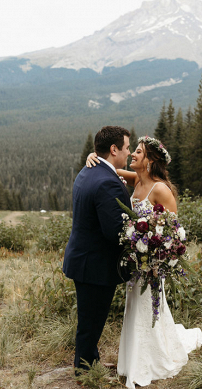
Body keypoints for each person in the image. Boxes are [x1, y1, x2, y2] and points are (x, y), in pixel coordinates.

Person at [86, 136, 202, 388]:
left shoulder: (160, 189)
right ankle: (134, 358)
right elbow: (109, 167)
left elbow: (173, 232)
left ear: (150, 160)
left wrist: (158, 258)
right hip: (136, 263)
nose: (133, 154)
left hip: (153, 264)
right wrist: (93, 158)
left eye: (138, 152)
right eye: (132, 150)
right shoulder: (136, 181)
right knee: (134, 306)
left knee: (148, 308)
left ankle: (151, 360)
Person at [63, 126, 132, 376]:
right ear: (113, 149)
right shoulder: (106, 181)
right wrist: (142, 238)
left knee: (89, 319)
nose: (129, 153)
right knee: (91, 321)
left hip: (83, 259)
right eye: (126, 148)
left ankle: (89, 361)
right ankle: (84, 372)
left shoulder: (88, 170)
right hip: (95, 264)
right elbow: (115, 231)